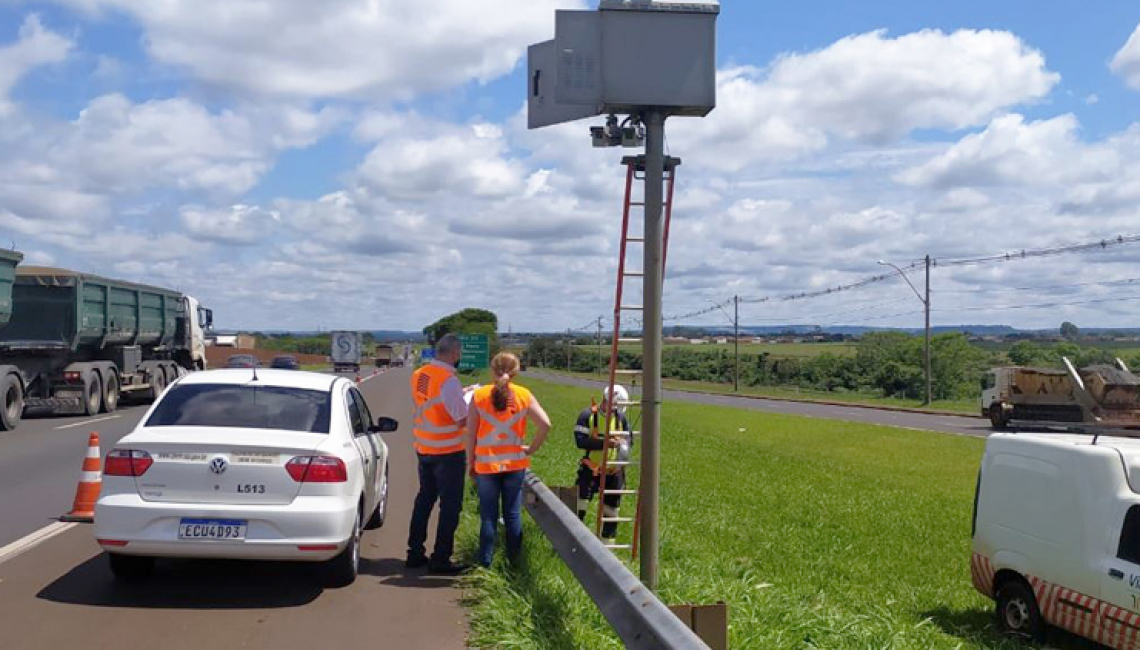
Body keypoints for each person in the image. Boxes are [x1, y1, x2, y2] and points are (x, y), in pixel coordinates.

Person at [466, 352, 551, 568]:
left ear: (492, 370)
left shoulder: (479, 396)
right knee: (512, 515)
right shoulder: (524, 394)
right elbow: (545, 425)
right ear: (515, 371)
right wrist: (531, 448)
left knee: (488, 516)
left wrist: (470, 464)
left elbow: (470, 434)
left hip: (486, 464)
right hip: (514, 465)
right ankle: (514, 565)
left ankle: (484, 564)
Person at [407, 334, 468, 574]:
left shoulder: (420, 375)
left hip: (424, 449)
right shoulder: (449, 380)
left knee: (424, 500)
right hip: (448, 452)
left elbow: (433, 403)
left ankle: (414, 552)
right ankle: (441, 558)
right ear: (454, 354)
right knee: (450, 506)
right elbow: (460, 418)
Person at [574, 385, 632, 545]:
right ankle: (572, 541)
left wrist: (623, 442)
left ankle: (607, 552)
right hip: (591, 469)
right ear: (606, 401)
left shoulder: (621, 418)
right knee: (579, 505)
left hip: (614, 473)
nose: (617, 410)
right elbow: (580, 441)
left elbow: (629, 440)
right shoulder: (587, 415)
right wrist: (605, 443)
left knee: (612, 512)